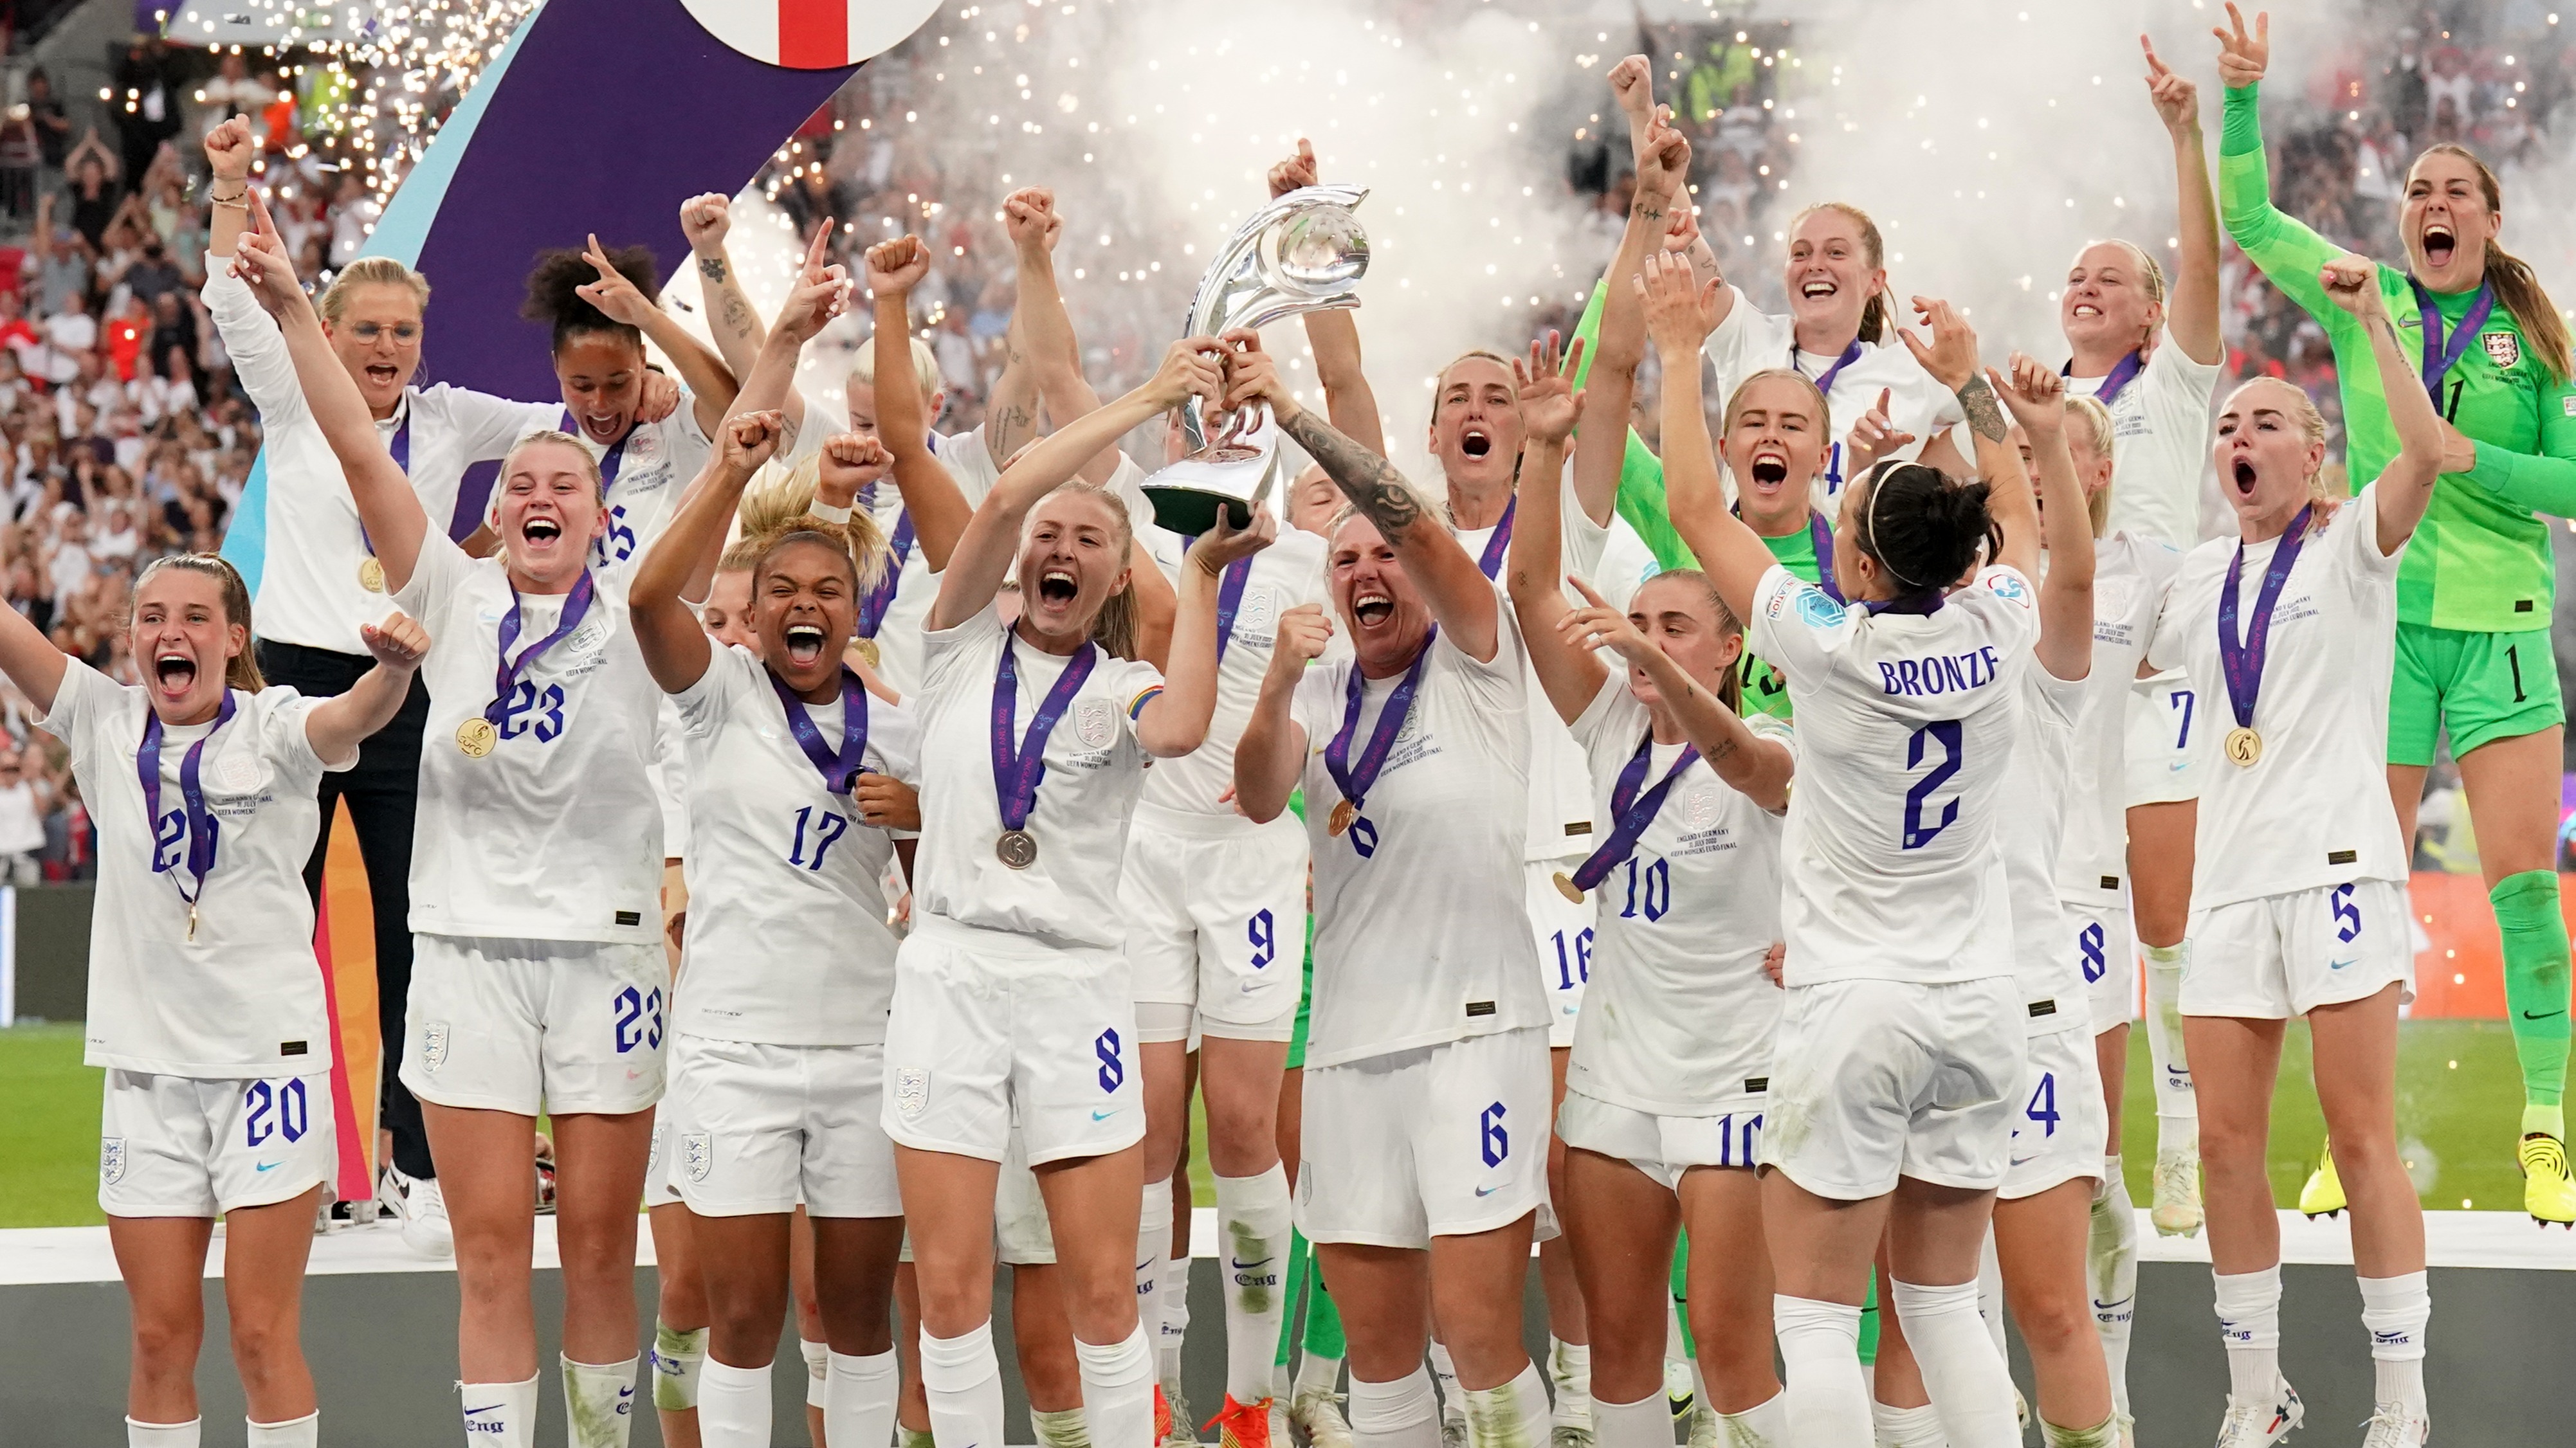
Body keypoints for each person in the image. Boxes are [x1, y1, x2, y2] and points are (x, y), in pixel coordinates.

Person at [230, 194, 681, 1448]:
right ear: (494, 508)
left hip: (606, 953)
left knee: (601, 1253)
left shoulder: (647, 609)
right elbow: (355, 446)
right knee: (488, 1261)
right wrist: (286, 300)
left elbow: (712, 439)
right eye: (519, 480)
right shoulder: (447, 582)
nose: (539, 489)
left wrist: (722, 378)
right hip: (470, 952)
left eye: (563, 481)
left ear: (599, 514)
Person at [202, 114, 638, 1253]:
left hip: (409, 686)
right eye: (367, 328)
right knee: (274, 920)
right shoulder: (294, 399)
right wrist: (233, 186)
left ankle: (414, 1164)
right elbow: (230, 300)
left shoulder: (453, 419)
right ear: (331, 337)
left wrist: (644, 346)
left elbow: (584, 424)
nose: (387, 345)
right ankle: (281, 1161)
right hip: (296, 688)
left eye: (404, 330)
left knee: (410, 930)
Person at [1652, 253, 2045, 1447]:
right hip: (1981, 999)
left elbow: (1695, 510)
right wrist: (1970, 386)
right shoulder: (2000, 622)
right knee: (1945, 1306)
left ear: (1864, 565)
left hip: (1855, 1002)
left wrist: (1679, 349)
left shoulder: (1828, 642)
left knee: (1818, 1323)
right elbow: (2021, 513)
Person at [2216, 4, 2576, 1226]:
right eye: (2418, 188)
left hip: (2502, 630)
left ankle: (2546, 1131)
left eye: (2454, 190)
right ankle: (2348, 1137)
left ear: (2487, 218)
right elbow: (2249, 219)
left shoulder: (2537, 339)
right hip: (2378, 632)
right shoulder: (2358, 293)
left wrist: (2473, 458)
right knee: (2364, 888)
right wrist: (2242, 98)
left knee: (2524, 893)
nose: (2432, 202)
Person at [888, 319, 1251, 1448]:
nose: (1061, 546)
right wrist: (1147, 398)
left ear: (1113, 575)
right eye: (1049, 532)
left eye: (1090, 538)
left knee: (1102, 1293)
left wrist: (1199, 575)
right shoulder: (957, 644)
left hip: (1078, 987)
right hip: (949, 973)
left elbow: (1184, 729)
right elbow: (1003, 497)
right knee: (950, 1292)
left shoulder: (1123, 685)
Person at [0, 550, 428, 1448]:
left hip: (268, 1070)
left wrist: (391, 673)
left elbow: (351, 716)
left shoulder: (275, 724)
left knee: (262, 1335)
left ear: (235, 639)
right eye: (153, 616)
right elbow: (13, 640)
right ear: (131, 638)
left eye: (195, 616)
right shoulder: (104, 720)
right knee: (159, 1338)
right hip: (148, 1074)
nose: (172, 632)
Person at [1229, 326, 1559, 1448]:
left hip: (1475, 1034)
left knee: (1479, 1340)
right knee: (1378, 1362)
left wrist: (1292, 409)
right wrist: (1275, 685)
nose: (1369, 571)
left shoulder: (1479, 654)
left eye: (1388, 556)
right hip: (1351, 1049)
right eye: (1345, 562)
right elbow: (1260, 794)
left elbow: (1412, 519)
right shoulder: (1321, 685)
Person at [2146, 250, 2443, 1447]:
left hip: (2336, 871)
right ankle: (2256, 1395)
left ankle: (2402, 1405)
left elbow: (2424, 451)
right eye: (2229, 425)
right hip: (2228, 883)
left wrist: (2374, 325)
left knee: (2360, 1134)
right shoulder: (2194, 578)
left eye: (2267, 420)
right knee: (2225, 1146)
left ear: (2313, 454)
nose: (2242, 435)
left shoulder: (2350, 544)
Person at [1506, 328, 1798, 1448]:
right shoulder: (1608, 730)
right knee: (1620, 1352)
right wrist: (1544, 451)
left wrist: (1654, 662)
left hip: (1734, 1080)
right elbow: (1530, 589)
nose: (1646, 646)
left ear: (1729, 650)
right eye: (1640, 626)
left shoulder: (1770, 747)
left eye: (1675, 628)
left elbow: (1739, 762)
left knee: (1729, 1350)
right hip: (1615, 1080)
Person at [516, 234, 740, 571]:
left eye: (618, 383)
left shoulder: (673, 419)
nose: (600, 403)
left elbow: (734, 408)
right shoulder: (537, 438)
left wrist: (648, 318)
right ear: (556, 367)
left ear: (643, 360)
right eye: (581, 385)